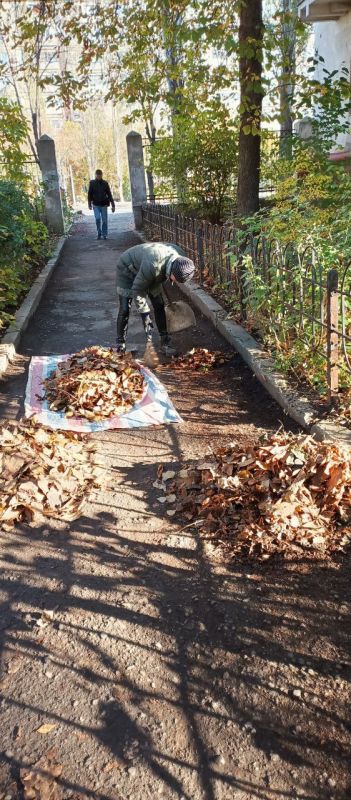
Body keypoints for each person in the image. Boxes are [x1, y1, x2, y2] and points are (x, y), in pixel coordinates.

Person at [116, 242, 195, 356]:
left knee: (159, 304)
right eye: (175, 279)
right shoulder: (153, 266)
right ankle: (120, 345)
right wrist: (145, 314)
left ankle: (165, 342)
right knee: (125, 308)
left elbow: (163, 273)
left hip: (151, 269)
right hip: (128, 268)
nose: (175, 282)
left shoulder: (182, 260)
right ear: (172, 271)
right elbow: (138, 290)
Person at [88, 169, 115, 240]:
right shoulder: (92, 183)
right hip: (95, 204)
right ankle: (99, 232)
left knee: (104, 220)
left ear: (102, 175)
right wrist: (89, 204)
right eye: (97, 175)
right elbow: (89, 194)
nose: (99, 176)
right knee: (97, 218)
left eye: (100, 175)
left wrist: (113, 205)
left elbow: (109, 194)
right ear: (95, 175)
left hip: (104, 205)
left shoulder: (105, 183)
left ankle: (104, 234)